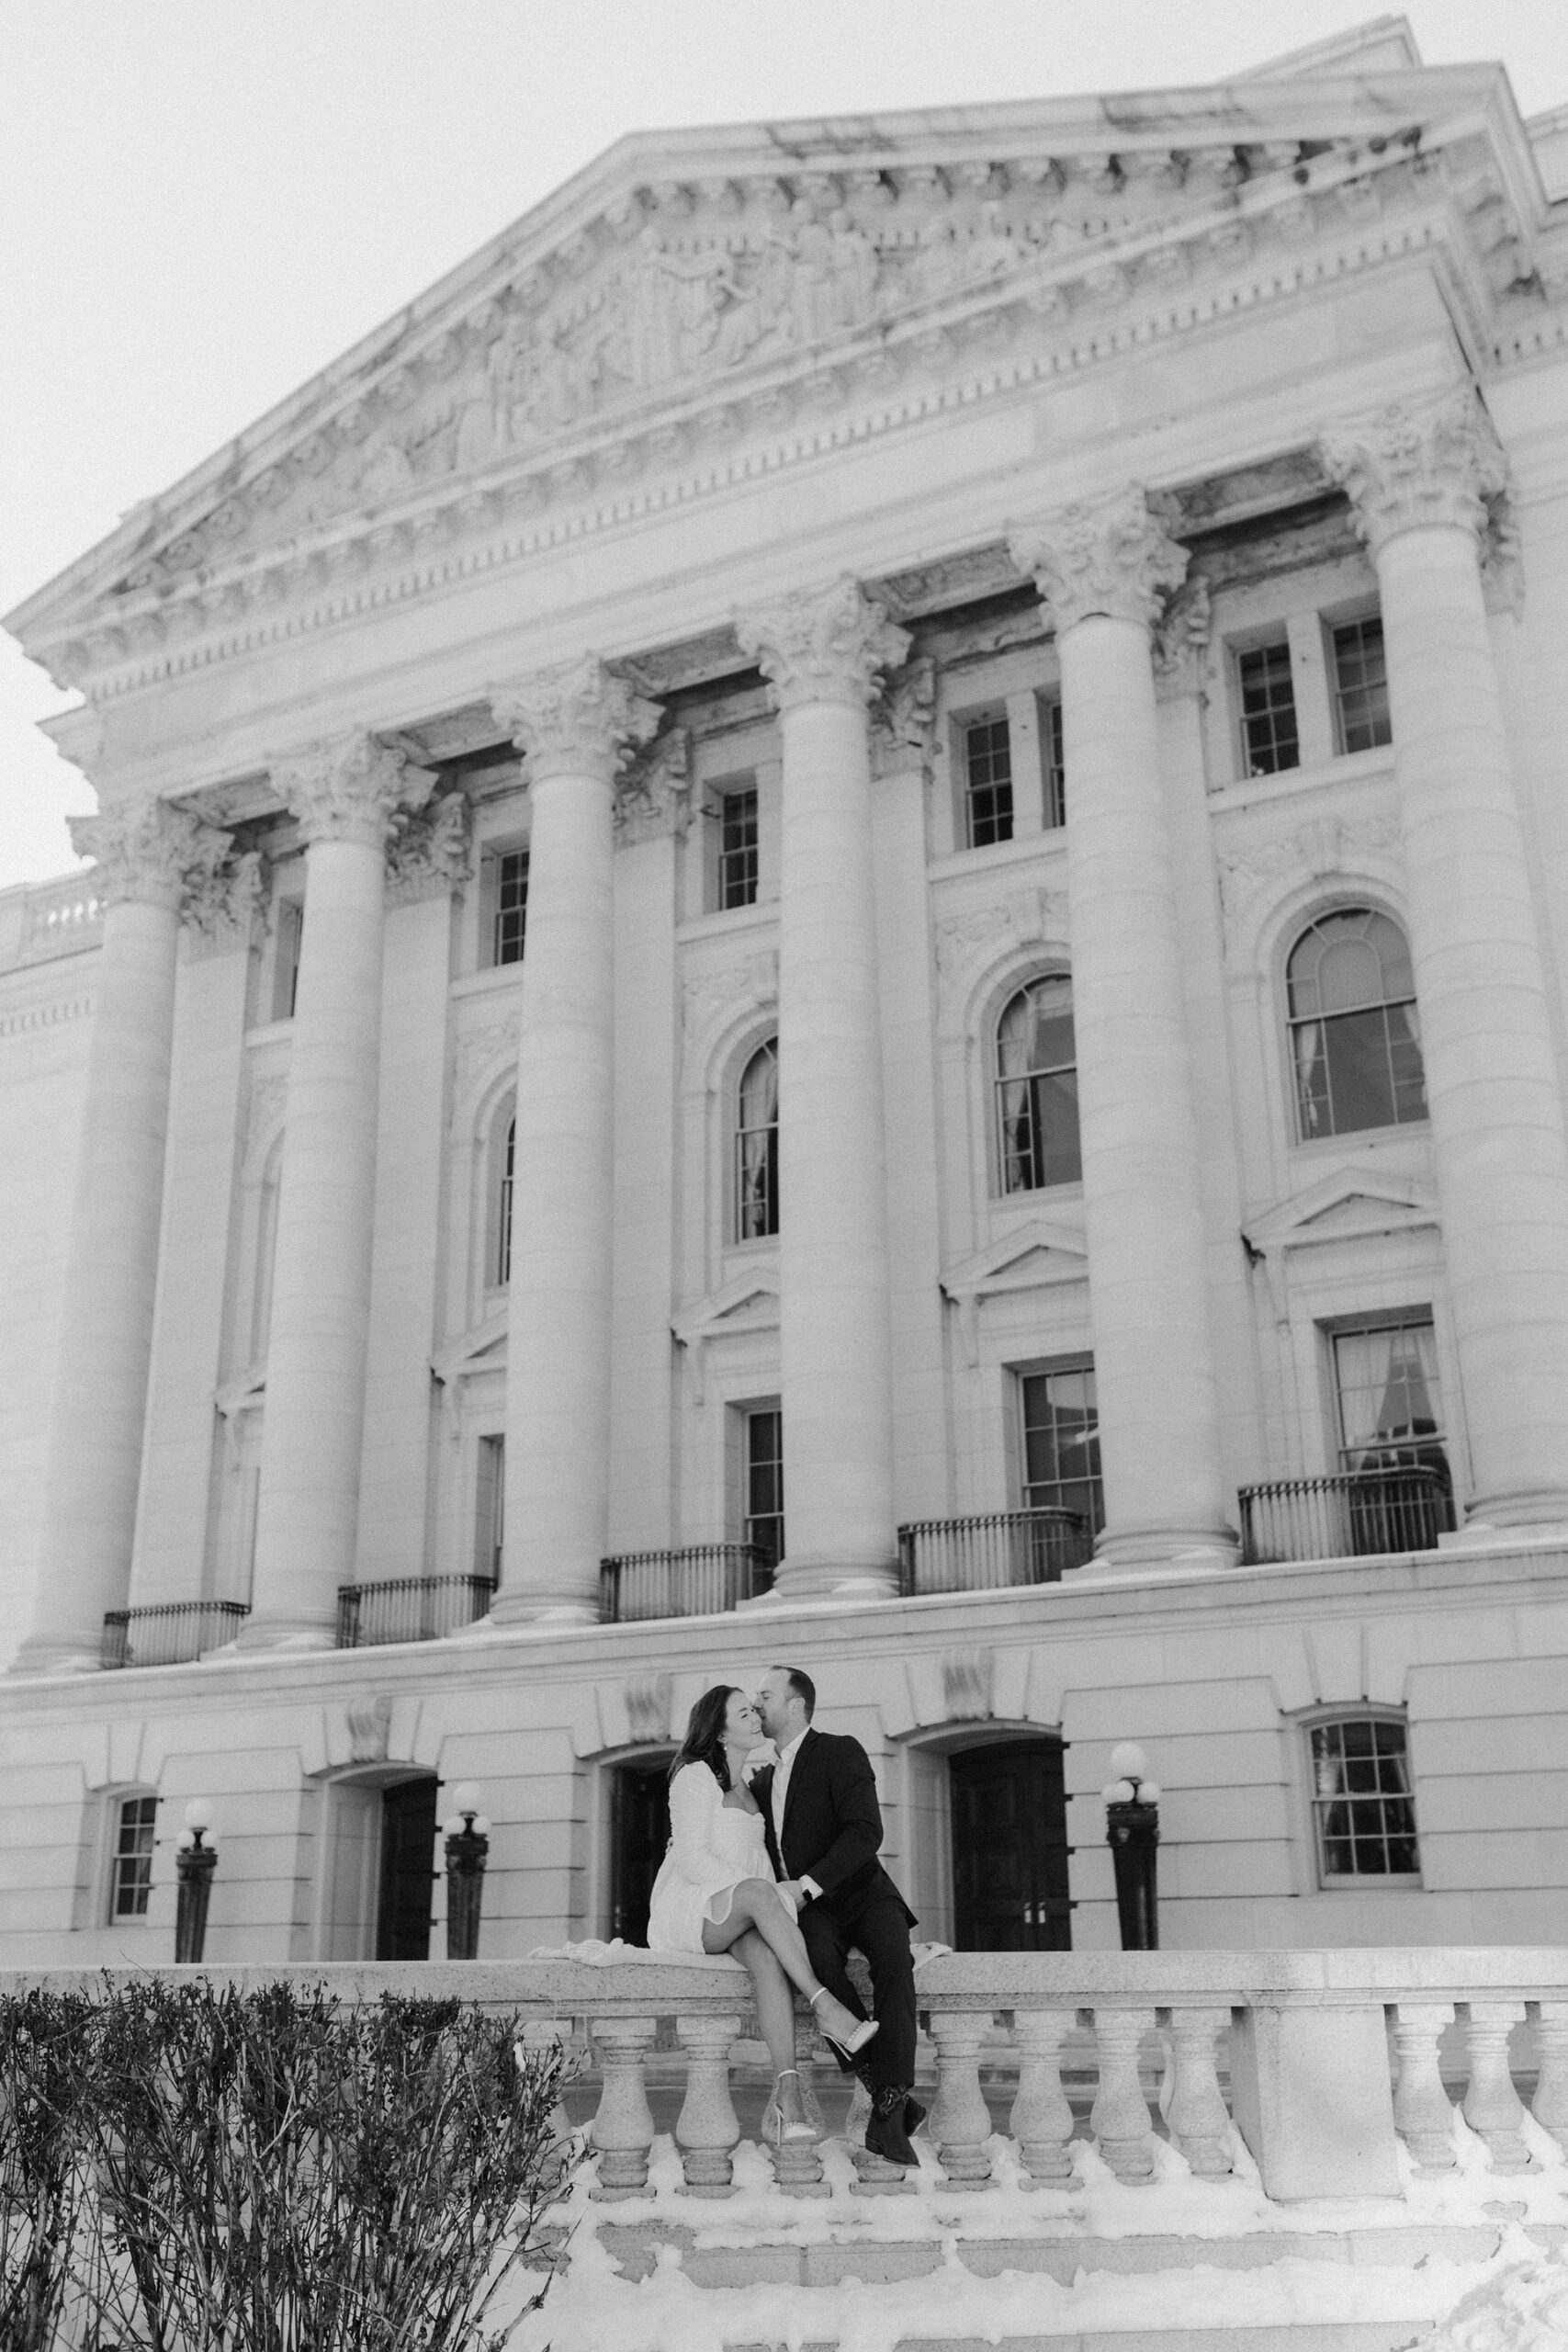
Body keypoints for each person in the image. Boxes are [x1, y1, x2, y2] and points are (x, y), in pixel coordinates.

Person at [646, 1683, 877, 2144]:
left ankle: (787, 2101)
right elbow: (691, 1861)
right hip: (692, 1905)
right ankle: (827, 2006)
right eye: (743, 1712)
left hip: (742, 1908)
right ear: (720, 1729)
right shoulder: (694, 1777)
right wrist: (760, 1895)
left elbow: (767, 1862)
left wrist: (769, 1900)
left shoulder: (753, 1784)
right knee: (757, 1893)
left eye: (755, 1709)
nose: (755, 1717)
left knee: (769, 1962)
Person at [751, 1665, 925, 2169]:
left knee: (894, 1961)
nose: (758, 1703)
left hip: (865, 1893)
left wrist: (807, 1886)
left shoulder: (839, 1750)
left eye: (766, 1694)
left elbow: (866, 1831)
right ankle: (890, 2098)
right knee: (822, 1974)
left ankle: (891, 2096)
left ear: (796, 1705)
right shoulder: (760, 1782)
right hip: (812, 1915)